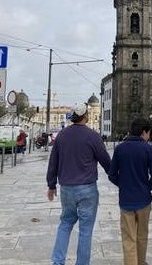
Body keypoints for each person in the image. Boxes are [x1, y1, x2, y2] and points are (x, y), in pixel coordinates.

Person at [46, 103, 111, 265]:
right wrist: (116, 176)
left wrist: (51, 184)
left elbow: (53, 162)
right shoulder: (93, 136)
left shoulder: (62, 135)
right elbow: (105, 160)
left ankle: (57, 261)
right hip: (87, 188)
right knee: (85, 230)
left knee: (66, 223)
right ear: (85, 116)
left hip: (66, 188)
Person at [108, 118, 152, 265]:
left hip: (126, 200)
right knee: (142, 235)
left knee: (128, 237)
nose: (149, 136)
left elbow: (112, 175)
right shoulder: (148, 149)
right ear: (144, 132)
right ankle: (141, 261)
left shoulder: (119, 149)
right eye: (149, 133)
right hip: (143, 199)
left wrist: (124, 185)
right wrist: (145, 187)